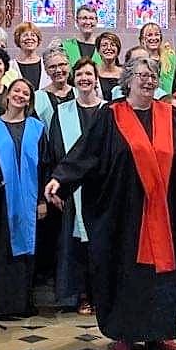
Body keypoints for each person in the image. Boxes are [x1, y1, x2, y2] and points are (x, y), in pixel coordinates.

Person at [44, 57, 176, 350]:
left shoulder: (169, 115)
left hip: (165, 211)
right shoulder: (111, 116)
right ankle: (125, 335)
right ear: (128, 80)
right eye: (142, 75)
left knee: (162, 276)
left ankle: (160, 333)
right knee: (127, 273)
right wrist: (60, 179)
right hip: (124, 214)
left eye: (153, 76)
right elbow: (85, 153)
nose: (148, 81)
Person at [0, 78, 51, 319]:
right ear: (7, 95)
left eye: (26, 93)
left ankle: (22, 305)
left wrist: (42, 201)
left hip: (29, 200)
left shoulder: (37, 128)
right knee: (0, 251)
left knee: (26, 253)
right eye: (16, 90)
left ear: (30, 100)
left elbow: (45, 166)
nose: (20, 95)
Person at [49, 58, 105, 314]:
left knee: (100, 242)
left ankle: (102, 294)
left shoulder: (108, 110)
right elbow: (55, 151)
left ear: (96, 79)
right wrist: (59, 186)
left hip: (102, 188)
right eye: (80, 74)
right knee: (75, 245)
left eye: (89, 74)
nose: (84, 78)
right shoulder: (63, 112)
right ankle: (81, 294)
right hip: (73, 190)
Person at [35, 43, 76, 130]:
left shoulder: (79, 93)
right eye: (52, 67)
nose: (58, 70)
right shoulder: (37, 98)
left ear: (69, 66)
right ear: (46, 70)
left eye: (62, 64)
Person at [9, 22, 50, 90]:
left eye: (33, 35)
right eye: (25, 35)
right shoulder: (10, 66)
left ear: (38, 40)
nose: (29, 38)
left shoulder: (46, 64)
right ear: (18, 40)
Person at [138, 22, 176, 93]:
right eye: (149, 35)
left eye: (157, 35)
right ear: (142, 39)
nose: (154, 38)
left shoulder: (170, 58)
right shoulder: (138, 59)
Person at [95, 31, 122, 101]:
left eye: (113, 45)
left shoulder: (125, 73)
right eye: (104, 45)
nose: (109, 48)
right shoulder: (93, 72)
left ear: (118, 50)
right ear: (98, 50)